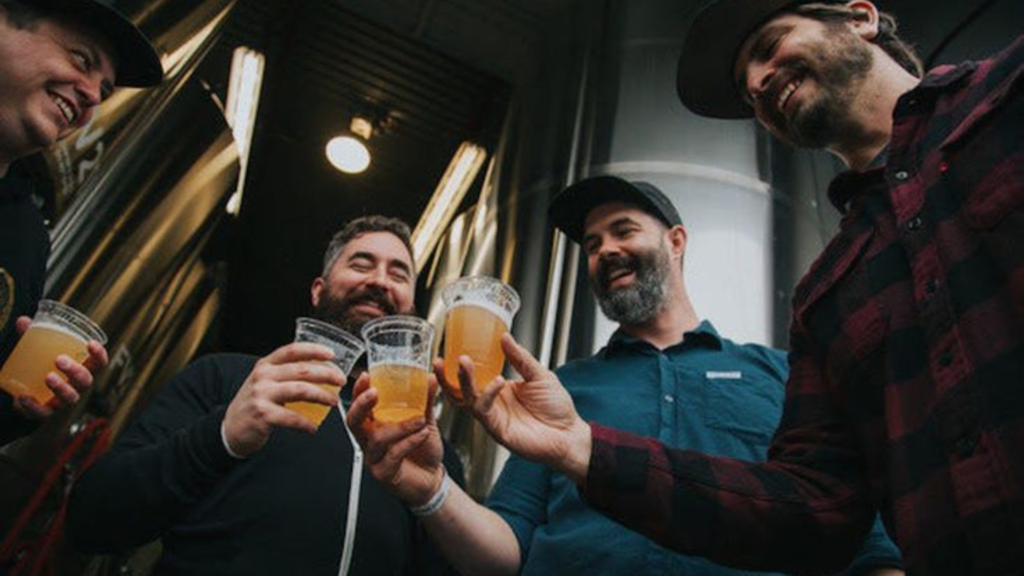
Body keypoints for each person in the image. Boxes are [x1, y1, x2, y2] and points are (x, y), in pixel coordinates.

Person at [414, 2, 1021, 575]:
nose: (757, 82)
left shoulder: (1005, 97)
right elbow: (818, 512)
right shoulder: (829, 296)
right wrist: (570, 452)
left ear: (860, 17)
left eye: (768, 45)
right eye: (591, 245)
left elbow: (863, 544)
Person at [346, 177, 903, 576]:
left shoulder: (778, 372)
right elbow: (507, 550)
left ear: (676, 241)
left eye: (622, 230)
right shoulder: (558, 390)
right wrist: (432, 492)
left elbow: (862, 537)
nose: (605, 251)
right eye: (591, 245)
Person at [67, 216, 465, 576]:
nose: (380, 280)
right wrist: (220, 437)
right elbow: (91, 519)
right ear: (318, 290)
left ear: (411, 309)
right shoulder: (226, 377)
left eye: (399, 274)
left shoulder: (428, 450)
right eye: (361, 264)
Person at [0, 0, 163, 443]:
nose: (92, 95)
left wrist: (19, 408)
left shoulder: (27, 234)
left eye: (104, 91)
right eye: (81, 60)